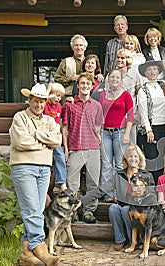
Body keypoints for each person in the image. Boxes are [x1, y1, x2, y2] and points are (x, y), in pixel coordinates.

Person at [10, 83, 62, 266]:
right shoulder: (20, 117)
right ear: (29, 101)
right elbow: (20, 142)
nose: (39, 105)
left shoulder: (49, 121)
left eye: (42, 102)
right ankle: (40, 247)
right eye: (35, 101)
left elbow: (57, 140)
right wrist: (44, 143)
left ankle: (26, 254)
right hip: (23, 167)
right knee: (31, 210)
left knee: (37, 210)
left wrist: (37, 135)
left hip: (44, 168)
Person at [61, 72, 104, 224]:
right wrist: (66, 149)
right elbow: (64, 129)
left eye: (88, 84)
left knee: (93, 182)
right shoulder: (69, 105)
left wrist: (96, 141)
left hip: (92, 147)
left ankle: (88, 211)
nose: (85, 86)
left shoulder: (97, 106)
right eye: (83, 83)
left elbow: (98, 128)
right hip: (75, 147)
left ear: (92, 87)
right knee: (72, 183)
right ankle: (72, 211)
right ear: (78, 85)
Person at [97, 145, 155, 251]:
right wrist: (84, 200)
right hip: (123, 205)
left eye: (136, 156)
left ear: (140, 159)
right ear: (126, 159)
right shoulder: (119, 175)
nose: (133, 159)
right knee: (113, 208)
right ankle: (120, 239)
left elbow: (151, 195)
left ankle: (133, 241)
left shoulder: (146, 175)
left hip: (139, 208)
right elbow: (102, 190)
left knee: (126, 210)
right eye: (130, 156)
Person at [99, 69, 134, 202]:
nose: (114, 80)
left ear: (121, 79)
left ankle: (120, 193)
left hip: (120, 132)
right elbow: (99, 114)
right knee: (106, 164)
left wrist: (127, 133)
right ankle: (108, 194)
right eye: (112, 77)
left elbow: (130, 116)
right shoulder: (103, 95)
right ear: (108, 79)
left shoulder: (126, 95)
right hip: (105, 132)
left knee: (120, 164)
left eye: (117, 78)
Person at [136, 60, 165, 183]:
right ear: (145, 73)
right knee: (153, 159)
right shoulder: (143, 90)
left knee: (162, 159)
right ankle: (152, 187)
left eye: (155, 69)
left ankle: (161, 186)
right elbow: (143, 112)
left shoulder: (163, 86)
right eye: (149, 70)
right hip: (151, 128)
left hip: (164, 126)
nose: (152, 72)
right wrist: (148, 130)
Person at [44, 82, 68, 193]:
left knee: (60, 156)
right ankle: (46, 184)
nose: (58, 98)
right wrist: (48, 92)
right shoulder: (45, 105)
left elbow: (64, 116)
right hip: (45, 136)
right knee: (46, 159)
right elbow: (42, 102)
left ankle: (61, 182)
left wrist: (69, 101)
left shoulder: (58, 106)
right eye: (56, 95)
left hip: (55, 137)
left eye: (60, 96)